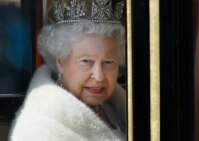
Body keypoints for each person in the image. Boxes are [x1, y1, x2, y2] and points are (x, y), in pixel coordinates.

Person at [9, 0, 126, 140]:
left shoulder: (115, 108)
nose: (99, 76)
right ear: (60, 62)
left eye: (108, 62)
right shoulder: (40, 129)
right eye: (86, 61)